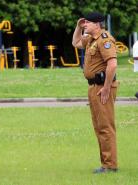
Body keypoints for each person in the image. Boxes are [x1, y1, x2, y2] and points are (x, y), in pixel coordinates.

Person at [72, 12, 119, 173]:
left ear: (97, 24)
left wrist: (106, 88)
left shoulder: (104, 39)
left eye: (87, 23)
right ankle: (106, 164)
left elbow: (112, 65)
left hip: (102, 87)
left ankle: (110, 166)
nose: (85, 24)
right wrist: (78, 26)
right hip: (94, 87)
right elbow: (76, 42)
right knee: (99, 127)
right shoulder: (91, 39)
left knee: (105, 127)